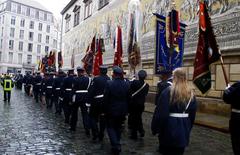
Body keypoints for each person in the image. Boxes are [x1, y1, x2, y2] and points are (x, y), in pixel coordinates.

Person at [151, 68, 197, 155]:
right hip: (183, 128)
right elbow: (192, 115)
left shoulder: (168, 91)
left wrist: (155, 128)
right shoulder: (191, 93)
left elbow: (161, 114)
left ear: (174, 77)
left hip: (169, 127)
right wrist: (187, 127)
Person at [103, 66, 131, 155]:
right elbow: (129, 99)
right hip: (123, 110)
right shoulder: (127, 84)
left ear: (114, 74)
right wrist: (127, 110)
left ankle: (116, 145)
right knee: (118, 127)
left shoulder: (109, 83)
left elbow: (106, 98)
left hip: (111, 110)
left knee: (110, 127)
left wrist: (104, 110)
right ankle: (115, 142)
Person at [88, 65, 110, 141]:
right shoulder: (109, 79)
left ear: (100, 71)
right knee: (103, 118)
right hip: (106, 102)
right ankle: (101, 134)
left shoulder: (96, 79)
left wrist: (89, 100)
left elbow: (91, 91)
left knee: (92, 117)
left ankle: (95, 133)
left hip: (96, 101)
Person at [128, 70, 149, 139]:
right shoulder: (146, 85)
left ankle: (134, 134)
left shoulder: (134, 82)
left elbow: (130, 90)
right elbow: (145, 94)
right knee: (138, 117)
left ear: (138, 76)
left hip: (133, 104)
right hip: (141, 104)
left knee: (134, 118)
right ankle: (141, 131)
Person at [70, 66, 91, 133]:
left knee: (74, 113)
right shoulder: (88, 79)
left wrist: (71, 99)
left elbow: (73, 90)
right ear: (83, 72)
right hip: (85, 97)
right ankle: (87, 128)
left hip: (77, 97)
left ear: (78, 72)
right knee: (85, 114)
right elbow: (89, 90)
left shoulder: (75, 79)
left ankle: (73, 127)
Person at [223, 81, 240, 155]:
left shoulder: (238, 85)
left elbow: (226, 98)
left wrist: (228, 90)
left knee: (237, 144)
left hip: (237, 118)